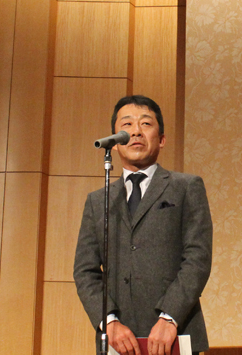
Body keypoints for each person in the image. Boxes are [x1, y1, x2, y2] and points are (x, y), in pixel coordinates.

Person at [74, 95, 213, 355]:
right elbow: (85, 271)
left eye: (146, 124)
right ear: (115, 143)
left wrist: (169, 318)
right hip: (118, 340)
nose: (136, 131)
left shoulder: (186, 187)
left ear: (162, 140)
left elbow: (198, 258)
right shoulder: (98, 200)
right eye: (126, 124)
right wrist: (109, 322)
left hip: (176, 333)